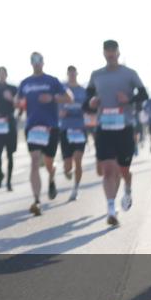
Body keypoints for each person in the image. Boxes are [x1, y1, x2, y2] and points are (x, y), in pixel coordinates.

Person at [82, 40, 148, 226]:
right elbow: (86, 101)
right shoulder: (96, 75)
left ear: (118, 53)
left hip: (124, 128)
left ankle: (127, 186)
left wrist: (129, 99)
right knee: (108, 170)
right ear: (104, 53)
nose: (110, 54)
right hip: (104, 128)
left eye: (113, 51)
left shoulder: (129, 74)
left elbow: (144, 95)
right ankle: (111, 210)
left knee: (123, 170)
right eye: (107, 51)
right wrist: (91, 103)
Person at [15, 53, 72, 216]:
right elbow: (16, 100)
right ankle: (37, 200)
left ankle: (52, 177)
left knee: (48, 162)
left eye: (39, 60)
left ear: (43, 62)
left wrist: (53, 98)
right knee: (34, 161)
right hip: (32, 127)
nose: (36, 63)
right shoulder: (25, 83)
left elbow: (69, 98)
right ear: (30, 63)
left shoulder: (52, 81)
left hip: (51, 128)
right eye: (33, 61)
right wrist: (17, 102)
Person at [59, 65, 88, 201]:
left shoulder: (83, 91)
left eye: (73, 73)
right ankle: (67, 170)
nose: (72, 76)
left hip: (80, 129)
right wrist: (60, 113)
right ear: (67, 74)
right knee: (68, 165)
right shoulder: (62, 90)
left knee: (78, 159)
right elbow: (56, 108)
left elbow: (88, 108)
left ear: (77, 74)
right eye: (69, 73)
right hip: (65, 129)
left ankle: (75, 188)